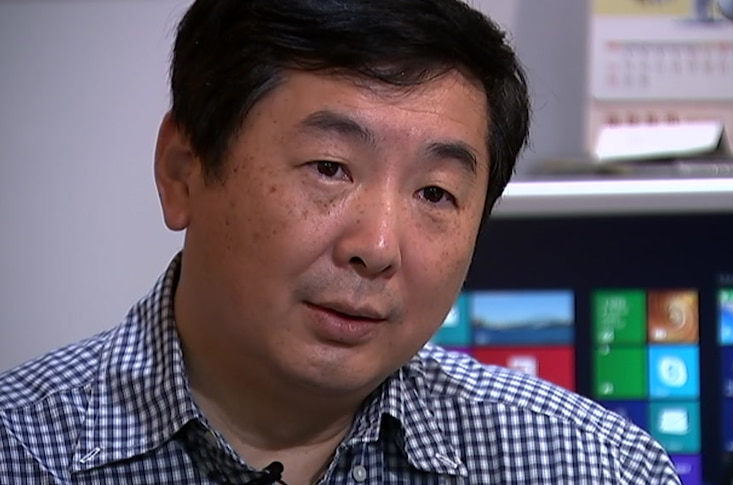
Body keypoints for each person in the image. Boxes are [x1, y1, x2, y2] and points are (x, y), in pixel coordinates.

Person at [0, 0, 681, 483]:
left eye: (435, 193)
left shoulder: (594, 465)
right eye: (330, 168)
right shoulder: (22, 451)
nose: (378, 245)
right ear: (183, 171)